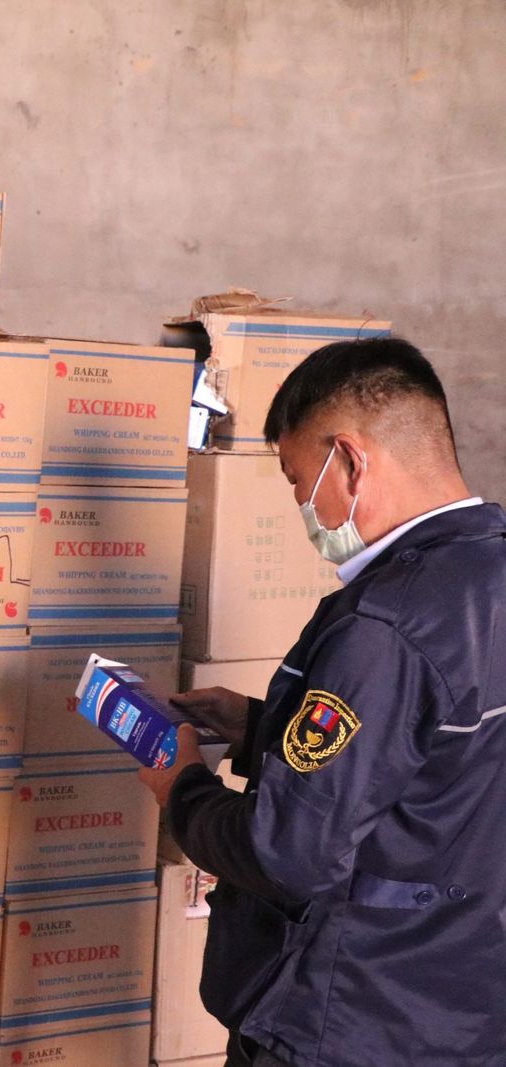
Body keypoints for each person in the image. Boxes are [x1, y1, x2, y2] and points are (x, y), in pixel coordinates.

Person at [138, 337, 506, 1067]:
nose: (302, 506)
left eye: (297, 480)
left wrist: (179, 785)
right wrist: (260, 727)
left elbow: (288, 855)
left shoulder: (385, 624)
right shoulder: (487, 576)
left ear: (350, 461)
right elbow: (441, 763)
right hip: (466, 1009)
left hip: (352, 1016)